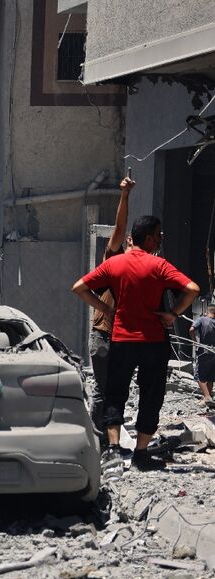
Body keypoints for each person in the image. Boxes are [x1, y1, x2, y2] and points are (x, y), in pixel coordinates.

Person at [72, 215, 199, 472]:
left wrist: (106, 309)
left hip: (122, 339)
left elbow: (79, 287)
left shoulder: (115, 264)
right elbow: (192, 289)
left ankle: (114, 450)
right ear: (150, 237)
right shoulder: (160, 265)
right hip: (153, 341)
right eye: (159, 234)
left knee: (115, 393)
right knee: (151, 396)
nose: (161, 238)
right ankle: (141, 453)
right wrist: (173, 314)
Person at [88, 176, 134, 437]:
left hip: (126, 339)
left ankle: (110, 434)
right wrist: (124, 196)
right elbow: (119, 227)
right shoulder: (114, 261)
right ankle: (99, 438)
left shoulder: (146, 269)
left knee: (117, 390)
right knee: (103, 390)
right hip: (105, 335)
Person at [190, 304, 215, 408]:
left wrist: (195, 342)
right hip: (214, 352)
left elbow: (191, 329)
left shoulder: (202, 319)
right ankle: (208, 398)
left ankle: (207, 396)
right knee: (211, 376)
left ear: (206, 311)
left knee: (199, 375)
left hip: (204, 351)